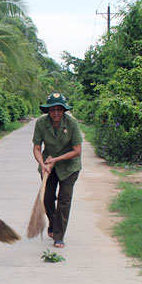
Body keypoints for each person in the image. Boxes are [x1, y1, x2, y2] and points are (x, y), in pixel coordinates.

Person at [32, 92, 83, 249]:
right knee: (47, 198)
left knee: (64, 200)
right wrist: (43, 164)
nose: (56, 113)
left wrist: (56, 160)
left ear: (64, 111)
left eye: (59, 110)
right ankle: (53, 224)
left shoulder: (71, 124)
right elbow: (36, 148)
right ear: (47, 110)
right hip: (48, 165)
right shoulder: (41, 123)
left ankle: (59, 236)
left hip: (69, 167)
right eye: (52, 109)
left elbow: (77, 150)